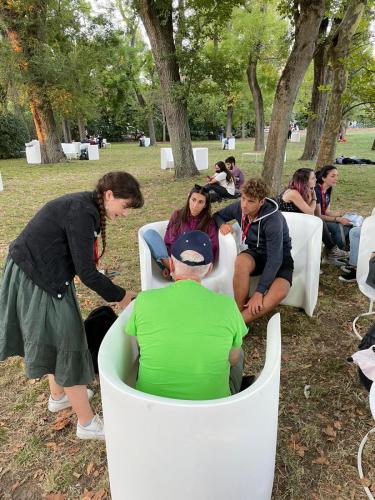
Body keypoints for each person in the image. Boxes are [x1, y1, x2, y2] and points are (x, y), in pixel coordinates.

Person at [0, 171, 144, 440]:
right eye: (125, 207)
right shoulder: (83, 212)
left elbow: (80, 262)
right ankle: (87, 423)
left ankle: (59, 396)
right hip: (38, 277)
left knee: (61, 337)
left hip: (38, 272)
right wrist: (123, 296)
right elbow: (87, 274)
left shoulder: (86, 206)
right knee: (69, 343)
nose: (125, 214)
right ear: (109, 195)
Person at [125, 231, 248, 400]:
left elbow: (140, 344)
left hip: (151, 405)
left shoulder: (144, 300)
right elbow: (233, 358)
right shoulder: (228, 306)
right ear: (209, 269)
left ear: (172, 265)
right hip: (213, 408)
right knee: (238, 351)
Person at [214, 178, 293, 325]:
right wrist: (222, 224)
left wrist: (259, 292)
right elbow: (217, 215)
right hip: (256, 253)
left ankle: (237, 324)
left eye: (250, 201)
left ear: (261, 201)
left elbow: (275, 259)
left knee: (281, 290)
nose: (244, 205)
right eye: (243, 198)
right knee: (241, 261)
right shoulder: (240, 207)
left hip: (280, 257)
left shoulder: (273, 220)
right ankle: (236, 310)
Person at [143, 185, 219, 279]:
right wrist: (170, 263)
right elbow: (169, 241)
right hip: (175, 260)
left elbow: (212, 250)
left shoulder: (209, 222)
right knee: (149, 234)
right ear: (189, 199)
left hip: (195, 265)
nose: (195, 205)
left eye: (200, 202)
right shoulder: (177, 215)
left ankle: (178, 275)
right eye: (193, 199)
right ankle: (171, 269)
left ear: (205, 205)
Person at [278, 168, 348, 264]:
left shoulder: (303, 191)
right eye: (313, 178)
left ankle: (330, 252)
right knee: (319, 222)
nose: (316, 180)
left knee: (318, 223)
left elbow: (309, 210)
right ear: (304, 181)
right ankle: (331, 251)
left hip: (295, 222)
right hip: (285, 225)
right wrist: (314, 197)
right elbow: (311, 212)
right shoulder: (293, 193)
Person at [315, 165, 351, 264]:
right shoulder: (317, 190)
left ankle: (335, 254)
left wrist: (340, 214)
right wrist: (337, 219)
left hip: (322, 218)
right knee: (337, 227)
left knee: (347, 225)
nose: (336, 178)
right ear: (323, 178)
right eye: (333, 176)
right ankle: (334, 255)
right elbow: (318, 215)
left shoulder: (328, 189)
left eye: (337, 176)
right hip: (316, 220)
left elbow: (326, 211)